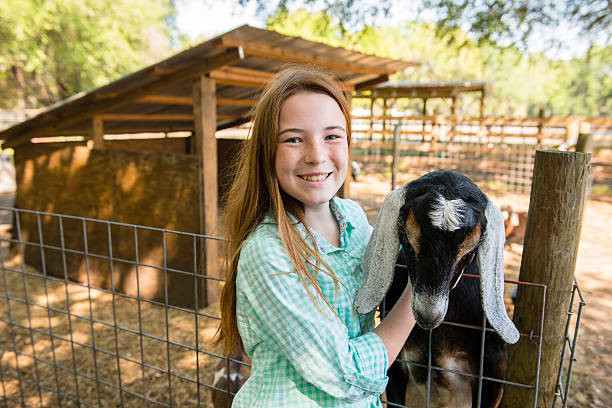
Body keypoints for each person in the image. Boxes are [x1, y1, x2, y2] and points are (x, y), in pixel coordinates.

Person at [215, 66, 416, 407]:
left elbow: (389, 273)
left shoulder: (351, 218)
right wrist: (420, 295)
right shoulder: (267, 252)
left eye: (332, 136)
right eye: (293, 138)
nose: (316, 155)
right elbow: (345, 373)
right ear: (267, 152)